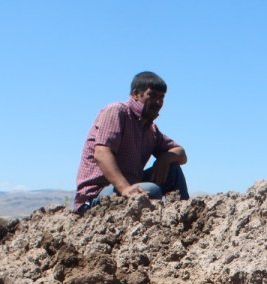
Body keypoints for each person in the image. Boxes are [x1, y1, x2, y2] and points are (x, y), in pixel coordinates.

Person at [73, 71, 189, 214]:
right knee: (151, 191)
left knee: (173, 170)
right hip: (97, 197)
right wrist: (125, 188)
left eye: (161, 97)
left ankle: (185, 216)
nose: (158, 102)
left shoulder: (150, 130)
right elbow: (102, 153)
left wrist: (166, 158)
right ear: (135, 94)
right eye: (152, 96)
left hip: (130, 188)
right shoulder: (117, 111)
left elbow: (181, 154)